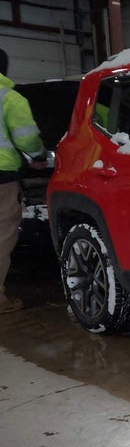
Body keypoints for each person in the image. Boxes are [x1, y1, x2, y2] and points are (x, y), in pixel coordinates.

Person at [0, 48, 48, 314]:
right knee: (1, 235)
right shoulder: (9, 97)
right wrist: (38, 156)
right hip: (2, 178)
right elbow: (27, 137)